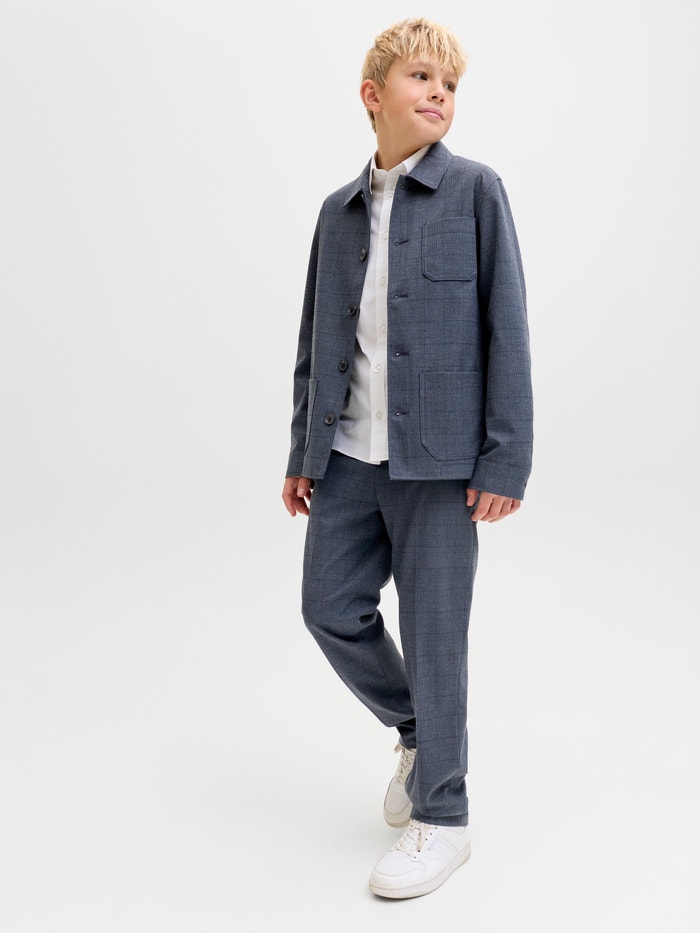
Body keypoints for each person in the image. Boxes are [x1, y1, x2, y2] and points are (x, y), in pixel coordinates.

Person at [282, 16, 533, 899]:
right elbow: (317, 339)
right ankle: (421, 732)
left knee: (435, 633)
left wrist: (504, 459)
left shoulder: (475, 192)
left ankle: (445, 817)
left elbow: (507, 327)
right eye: (422, 77)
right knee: (327, 606)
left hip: (439, 463)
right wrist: (303, 449)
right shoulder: (337, 213)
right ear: (373, 95)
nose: (439, 93)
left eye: (450, 85)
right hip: (348, 457)